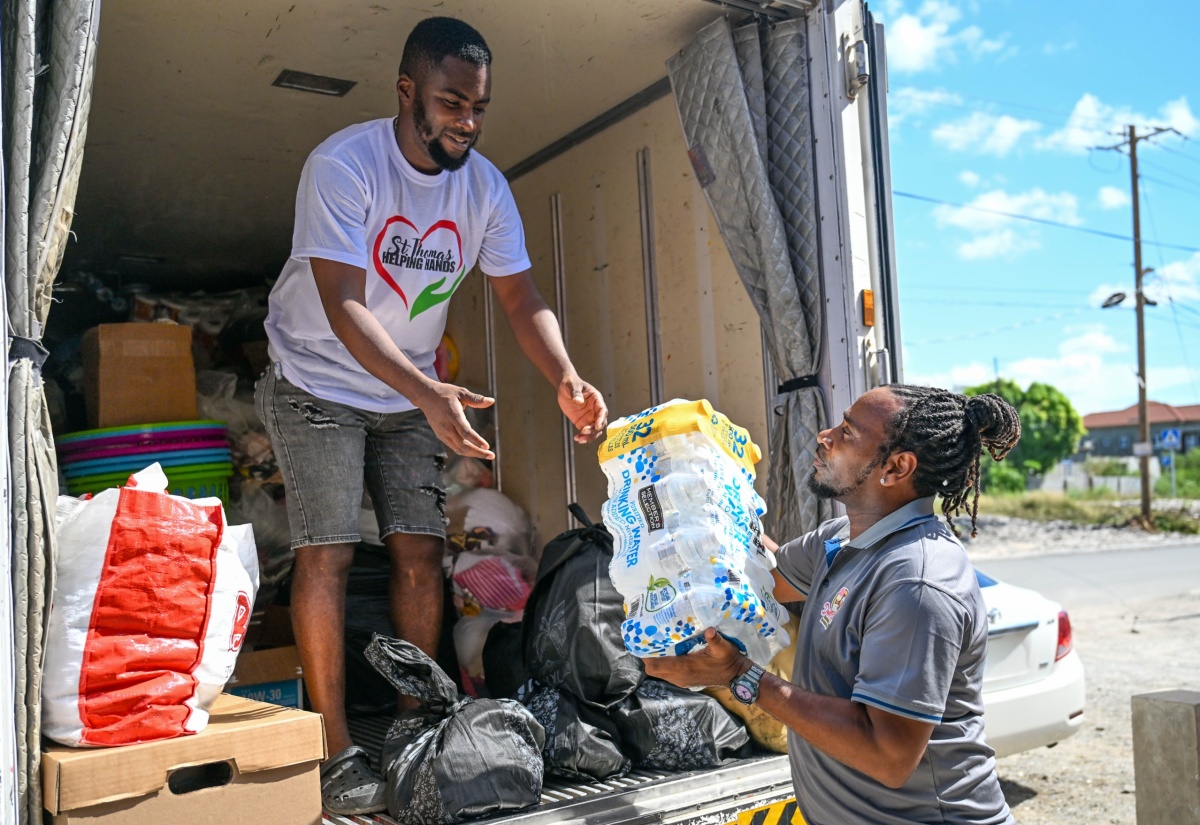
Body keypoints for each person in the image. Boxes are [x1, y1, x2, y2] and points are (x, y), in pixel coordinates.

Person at [257, 16, 607, 815]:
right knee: (330, 557)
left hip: (409, 392)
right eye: (452, 103)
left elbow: (519, 296)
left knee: (420, 556)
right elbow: (343, 304)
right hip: (316, 381)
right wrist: (427, 391)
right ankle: (335, 746)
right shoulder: (345, 165)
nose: (468, 123)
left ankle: (419, 724)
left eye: (479, 107)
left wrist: (564, 375)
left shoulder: (482, 185)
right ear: (407, 91)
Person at [646, 385, 1021, 825]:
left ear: (896, 467)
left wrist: (737, 675)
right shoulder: (842, 538)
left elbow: (889, 756)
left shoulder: (916, 583)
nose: (824, 436)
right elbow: (761, 577)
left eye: (847, 432)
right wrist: (699, 495)